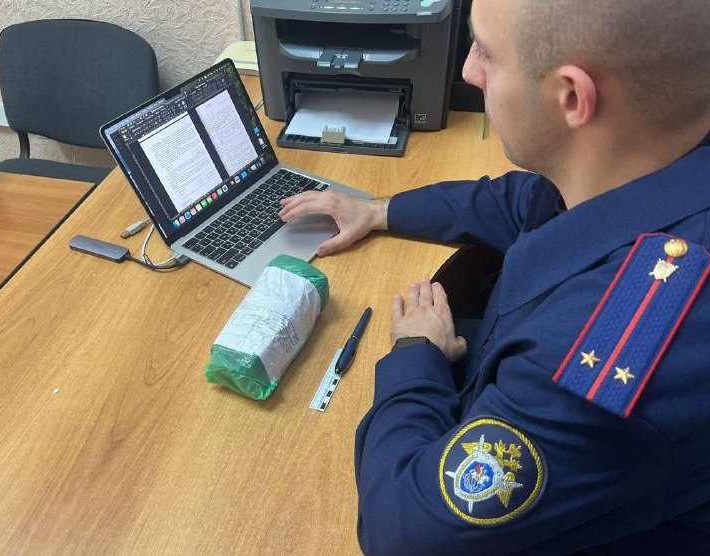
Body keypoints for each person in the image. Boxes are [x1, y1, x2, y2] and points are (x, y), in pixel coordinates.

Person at [278, 0, 710, 553]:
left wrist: (416, 353)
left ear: (572, 97)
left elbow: (401, 533)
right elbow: (521, 201)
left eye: (485, 51)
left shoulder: (609, 349)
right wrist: (377, 210)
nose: (468, 71)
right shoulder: (653, 155)